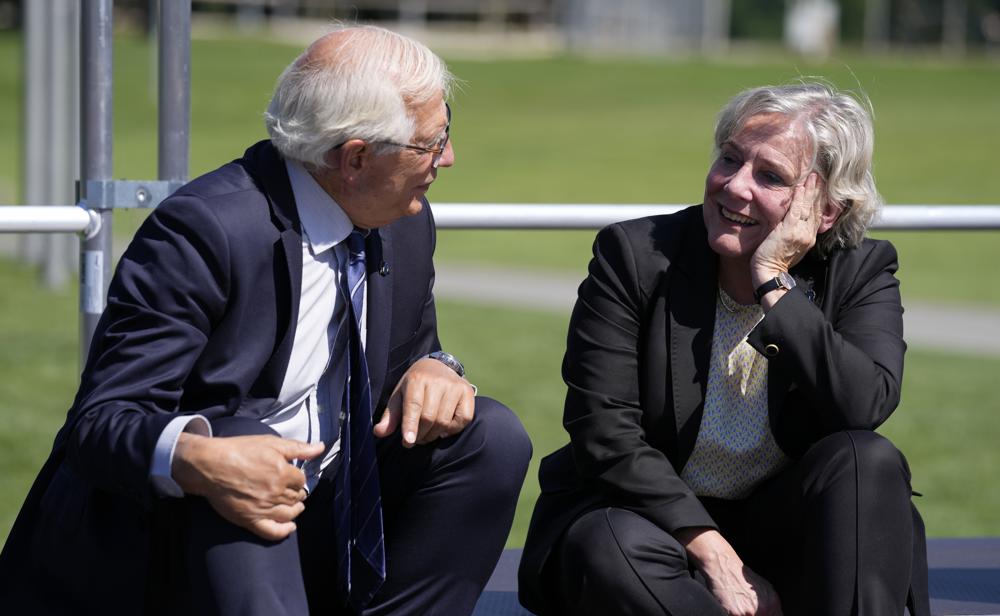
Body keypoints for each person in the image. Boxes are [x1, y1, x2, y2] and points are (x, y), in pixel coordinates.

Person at [0, 25, 531, 615]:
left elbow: (404, 363)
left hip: (327, 511)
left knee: (489, 435)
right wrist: (202, 460)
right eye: (430, 144)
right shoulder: (204, 230)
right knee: (244, 440)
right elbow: (100, 423)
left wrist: (438, 367)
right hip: (183, 540)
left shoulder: (402, 219)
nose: (447, 158)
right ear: (354, 157)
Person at [518, 83, 929, 616]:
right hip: (655, 526)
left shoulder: (861, 270)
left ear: (824, 209)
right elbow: (604, 430)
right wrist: (715, 554)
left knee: (865, 460)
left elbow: (864, 404)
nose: (734, 187)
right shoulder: (634, 255)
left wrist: (772, 282)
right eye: (729, 159)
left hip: (786, 536)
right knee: (606, 542)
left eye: (770, 176)